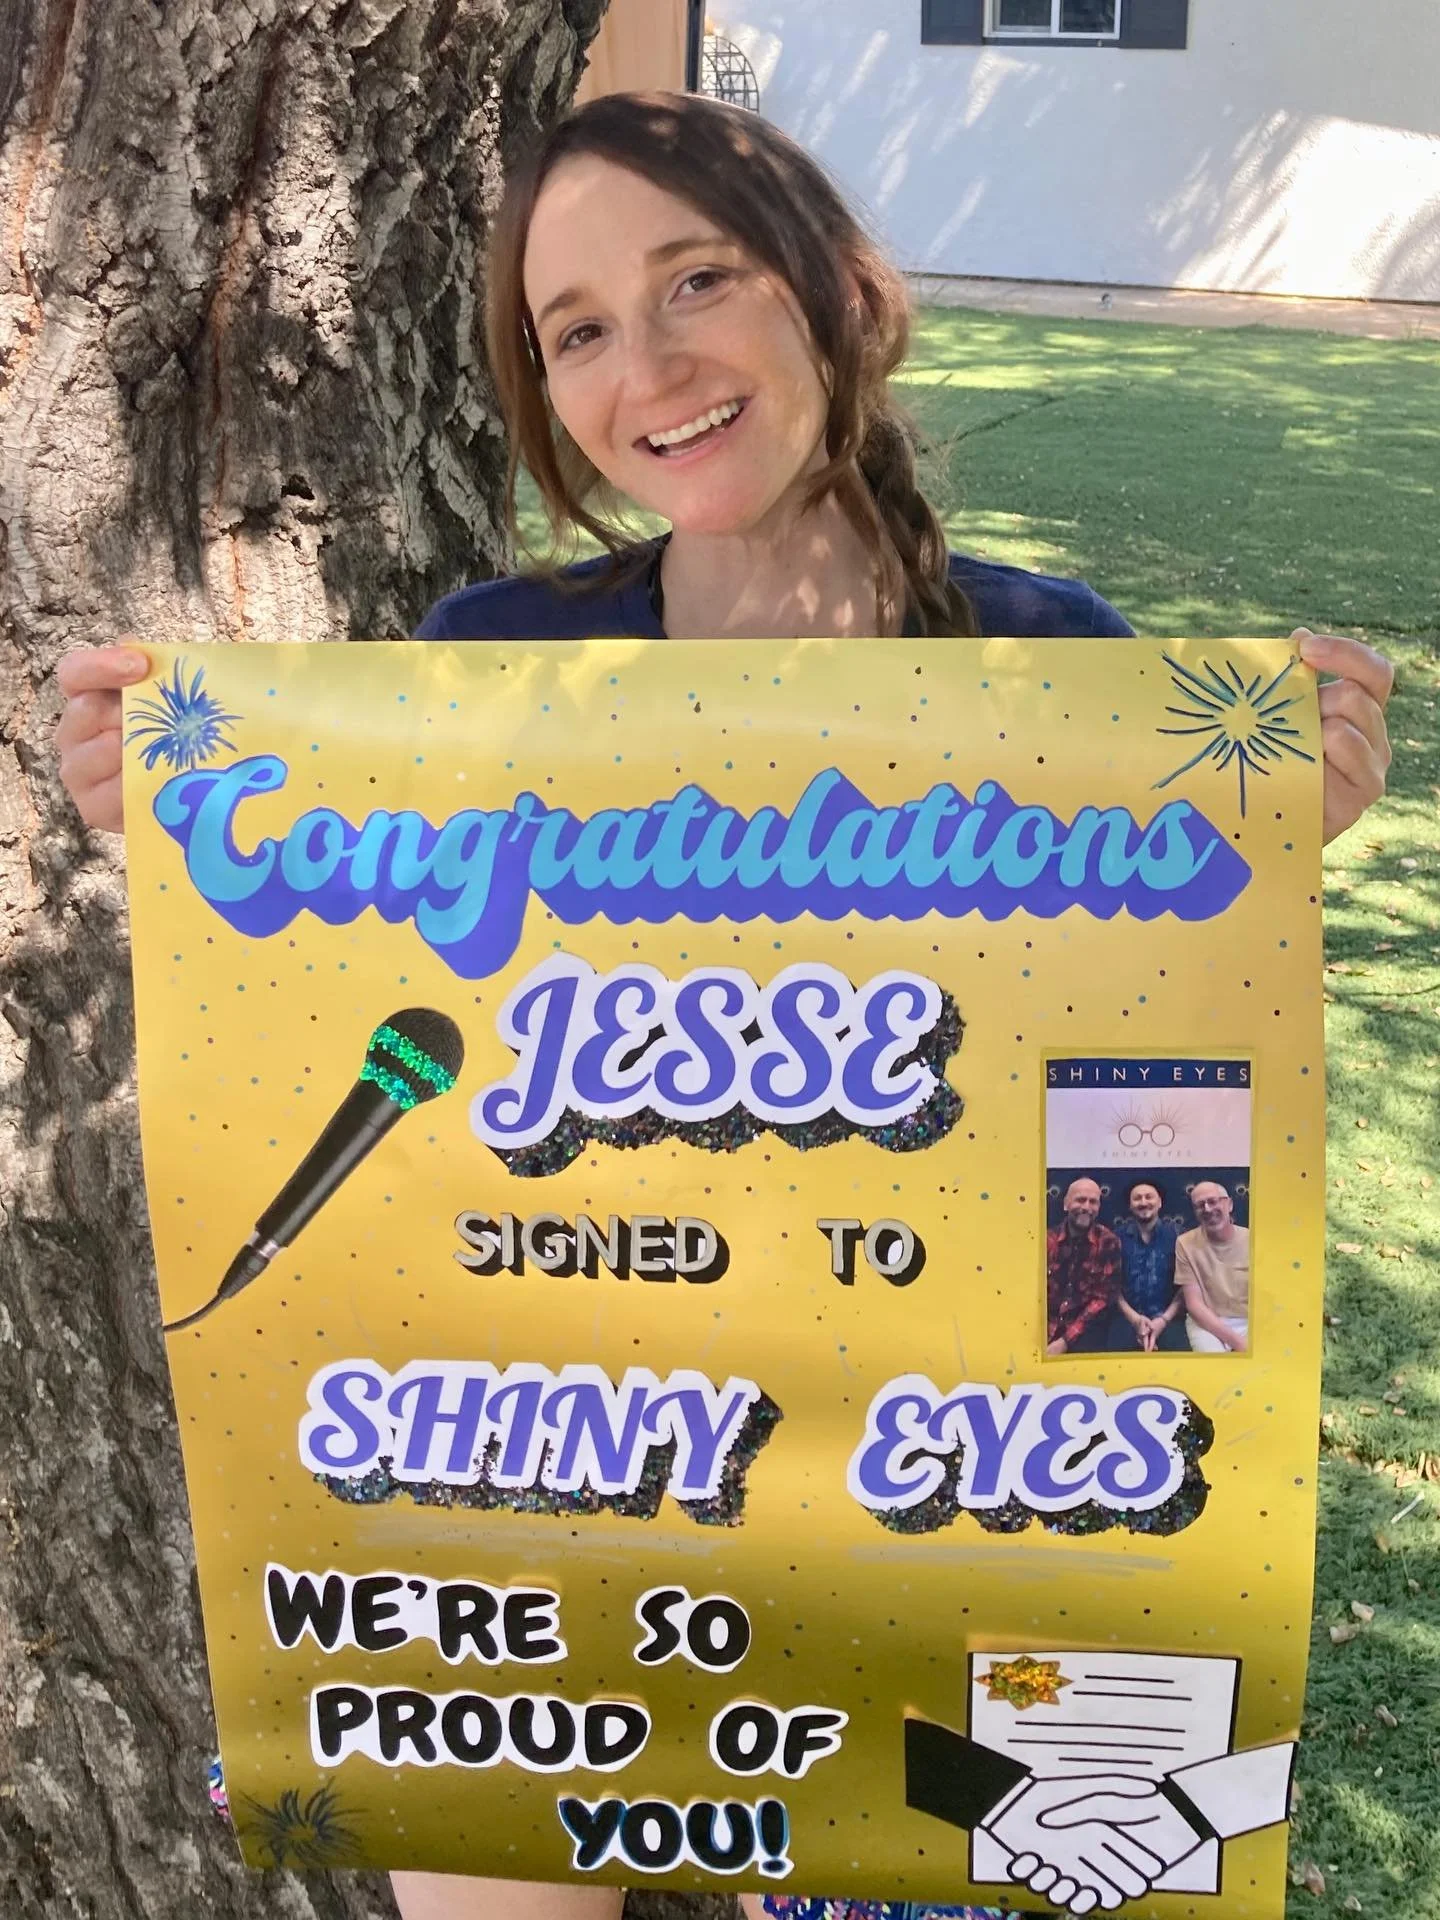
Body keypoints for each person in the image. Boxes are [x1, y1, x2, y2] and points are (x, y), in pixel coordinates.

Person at [50, 86, 1392, 1920]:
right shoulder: (486, 673)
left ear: (839, 292)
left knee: (1066, 1841)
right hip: (549, 1473)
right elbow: (341, 1022)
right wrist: (186, 835)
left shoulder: (1063, 674)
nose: (648, 363)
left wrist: (1265, 841)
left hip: (955, 1478)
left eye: (702, 280)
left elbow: (1165, 1169)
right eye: (578, 329)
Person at [1045, 1178, 1123, 1355]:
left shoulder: (1108, 1242)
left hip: (1086, 1329)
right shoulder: (1045, 1241)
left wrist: (1065, 1341)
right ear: (1066, 1204)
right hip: (1044, 1325)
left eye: (1093, 1202)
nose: (1087, 1207)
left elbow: (1103, 1299)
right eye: (1080, 1200)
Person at [1113, 1178, 1188, 1353]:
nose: (1144, 1202)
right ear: (1130, 1206)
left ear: (1159, 1202)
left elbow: (1187, 1285)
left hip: (1171, 1319)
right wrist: (1135, 1320)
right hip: (1126, 1319)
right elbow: (1111, 1286)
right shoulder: (1115, 1238)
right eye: (1137, 1198)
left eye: (1149, 1197)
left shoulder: (1180, 1236)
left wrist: (1163, 1320)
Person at [1176, 1182, 1251, 1353]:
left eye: (1213, 1201)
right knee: (1215, 1371)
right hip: (1206, 1323)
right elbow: (1194, 1304)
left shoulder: (1253, 1240)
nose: (1208, 1209)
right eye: (1200, 1205)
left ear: (1229, 1204)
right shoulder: (1185, 1243)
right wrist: (1237, 1343)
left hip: (1248, 1321)